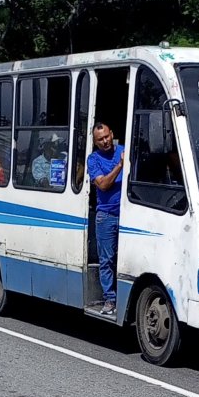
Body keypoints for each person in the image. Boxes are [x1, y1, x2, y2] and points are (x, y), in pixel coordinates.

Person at [87, 122, 124, 315]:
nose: (105, 141)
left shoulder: (125, 150)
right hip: (106, 216)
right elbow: (102, 185)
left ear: (112, 134)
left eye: (107, 136)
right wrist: (120, 166)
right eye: (100, 139)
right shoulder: (93, 159)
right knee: (107, 259)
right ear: (95, 142)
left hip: (129, 214)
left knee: (124, 259)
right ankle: (110, 299)